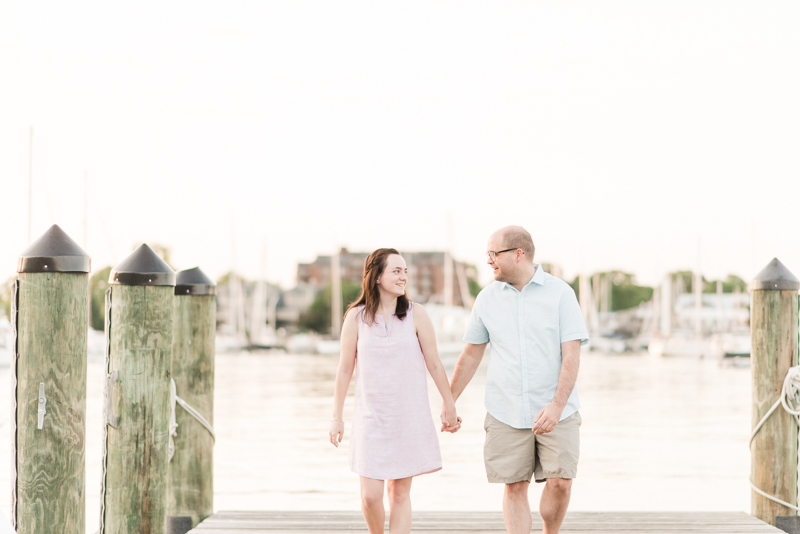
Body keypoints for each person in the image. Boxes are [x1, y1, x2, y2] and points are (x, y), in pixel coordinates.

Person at [449, 226, 588, 534]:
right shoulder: (486, 299)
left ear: (518, 253)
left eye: (493, 254)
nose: (488, 261)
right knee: (514, 487)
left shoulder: (561, 293)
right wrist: (449, 400)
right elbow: (471, 355)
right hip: (505, 409)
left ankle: (550, 532)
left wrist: (555, 406)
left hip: (557, 409)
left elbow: (572, 355)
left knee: (561, 482)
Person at [329, 248, 461, 534]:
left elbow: (435, 364)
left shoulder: (417, 314)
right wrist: (336, 416)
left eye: (405, 271)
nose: (404, 277)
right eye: (396, 271)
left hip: (407, 417)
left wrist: (449, 404)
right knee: (370, 496)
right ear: (377, 276)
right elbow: (343, 369)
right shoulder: (356, 317)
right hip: (370, 418)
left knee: (399, 494)